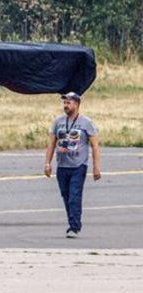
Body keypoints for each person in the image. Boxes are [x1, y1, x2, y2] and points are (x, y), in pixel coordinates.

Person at [45, 91, 101, 238]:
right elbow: (51, 144)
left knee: (74, 196)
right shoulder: (58, 122)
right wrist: (47, 163)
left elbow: (95, 145)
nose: (65, 105)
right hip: (62, 166)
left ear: (76, 104)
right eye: (64, 103)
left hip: (78, 166)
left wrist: (96, 167)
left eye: (68, 103)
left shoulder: (86, 123)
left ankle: (74, 227)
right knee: (66, 196)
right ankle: (73, 221)